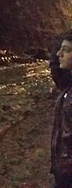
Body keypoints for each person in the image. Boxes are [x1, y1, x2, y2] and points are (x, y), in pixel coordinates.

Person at [51, 31, 72, 187]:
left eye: (66, 49)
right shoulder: (68, 84)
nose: (59, 53)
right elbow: (57, 73)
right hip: (63, 172)